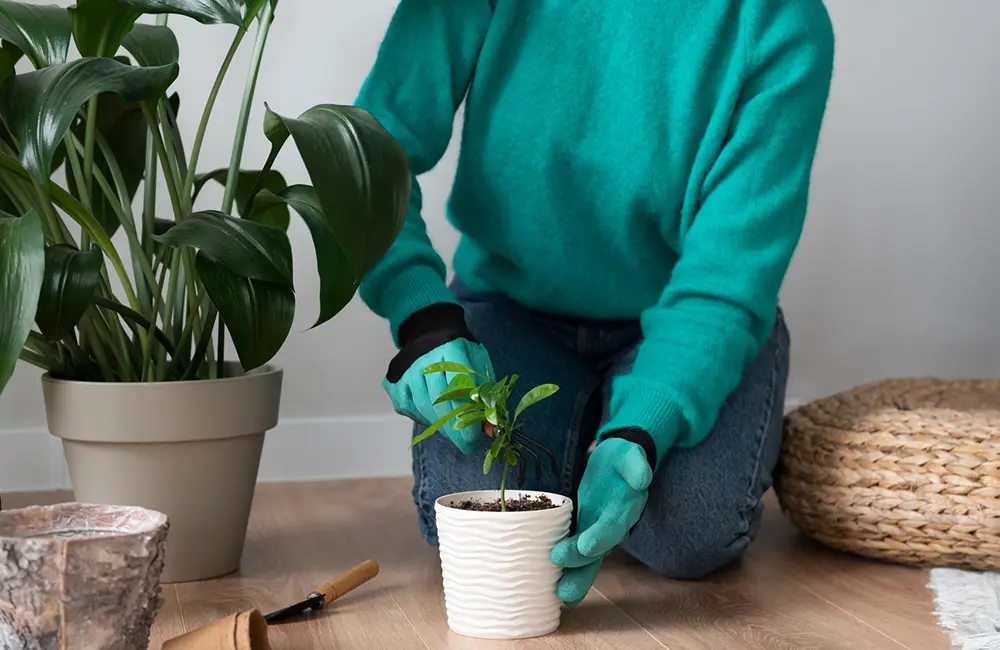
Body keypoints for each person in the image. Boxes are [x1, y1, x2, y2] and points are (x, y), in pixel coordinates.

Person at [354, 0, 834, 607]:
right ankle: (579, 445)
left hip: (689, 321)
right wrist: (423, 319)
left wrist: (640, 429)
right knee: (471, 514)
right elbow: (366, 154)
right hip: (510, 306)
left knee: (688, 532)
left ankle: (607, 432)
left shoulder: (783, 23)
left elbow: (727, 278)